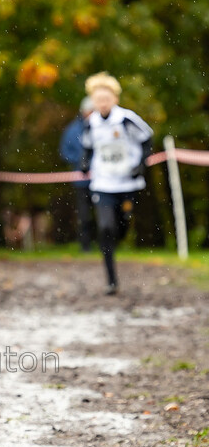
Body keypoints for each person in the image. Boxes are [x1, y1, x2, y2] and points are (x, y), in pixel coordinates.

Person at [80, 72, 153, 295]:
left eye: (106, 99)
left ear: (115, 99)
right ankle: (111, 279)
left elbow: (147, 138)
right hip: (103, 183)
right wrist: (84, 162)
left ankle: (120, 233)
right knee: (105, 228)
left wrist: (140, 164)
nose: (102, 104)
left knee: (121, 227)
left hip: (127, 183)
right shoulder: (90, 122)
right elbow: (88, 146)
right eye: (98, 100)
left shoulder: (126, 118)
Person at [59, 96, 96, 251]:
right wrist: (81, 162)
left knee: (104, 213)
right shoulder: (72, 130)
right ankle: (85, 245)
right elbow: (64, 152)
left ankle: (106, 244)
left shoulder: (102, 128)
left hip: (102, 179)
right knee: (84, 214)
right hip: (81, 180)